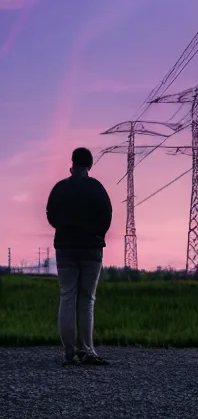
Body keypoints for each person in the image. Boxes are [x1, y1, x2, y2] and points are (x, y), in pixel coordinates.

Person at [46, 147, 112, 366]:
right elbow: (107, 215)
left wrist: (64, 230)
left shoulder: (60, 188)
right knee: (87, 299)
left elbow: (50, 214)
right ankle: (87, 350)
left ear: (72, 164)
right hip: (91, 249)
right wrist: (96, 234)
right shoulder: (97, 188)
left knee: (67, 295)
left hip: (65, 248)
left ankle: (69, 351)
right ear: (90, 166)